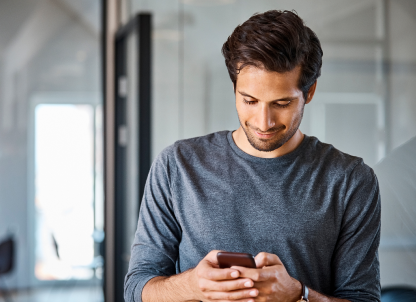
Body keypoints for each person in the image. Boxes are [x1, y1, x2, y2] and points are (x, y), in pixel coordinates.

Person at [124, 10, 380, 302]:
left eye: (281, 103)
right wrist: (193, 285)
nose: (264, 121)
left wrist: (299, 295)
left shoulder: (350, 180)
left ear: (309, 93)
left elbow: (363, 299)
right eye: (249, 100)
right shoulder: (177, 165)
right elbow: (136, 290)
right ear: (234, 88)